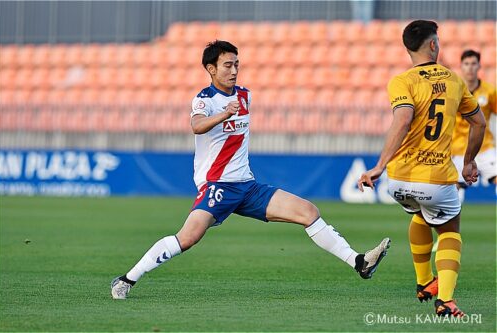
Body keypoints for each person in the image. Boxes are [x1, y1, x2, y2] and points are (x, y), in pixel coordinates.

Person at [111, 40, 390, 300]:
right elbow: (196, 126)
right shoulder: (204, 100)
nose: (234, 70)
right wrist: (223, 114)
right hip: (217, 187)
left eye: (236, 64)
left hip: (247, 186)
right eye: (227, 65)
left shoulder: (245, 95)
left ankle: (359, 262)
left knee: (309, 212)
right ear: (211, 69)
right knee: (188, 238)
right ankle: (126, 279)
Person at [358, 20, 486, 317]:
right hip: (436, 179)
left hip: (399, 180)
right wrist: (468, 161)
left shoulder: (401, 81)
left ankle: (423, 280)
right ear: (433, 45)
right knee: (450, 230)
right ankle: (446, 300)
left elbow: (402, 120)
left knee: (420, 214)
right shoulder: (454, 81)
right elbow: (478, 122)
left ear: (407, 48)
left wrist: (379, 166)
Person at [452, 49, 496, 198]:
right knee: (453, 190)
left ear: (479, 66)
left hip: (484, 147)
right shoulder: (453, 91)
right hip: (458, 149)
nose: (470, 67)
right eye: (466, 64)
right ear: (461, 66)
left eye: (473, 64)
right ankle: (448, 220)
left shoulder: (490, 91)